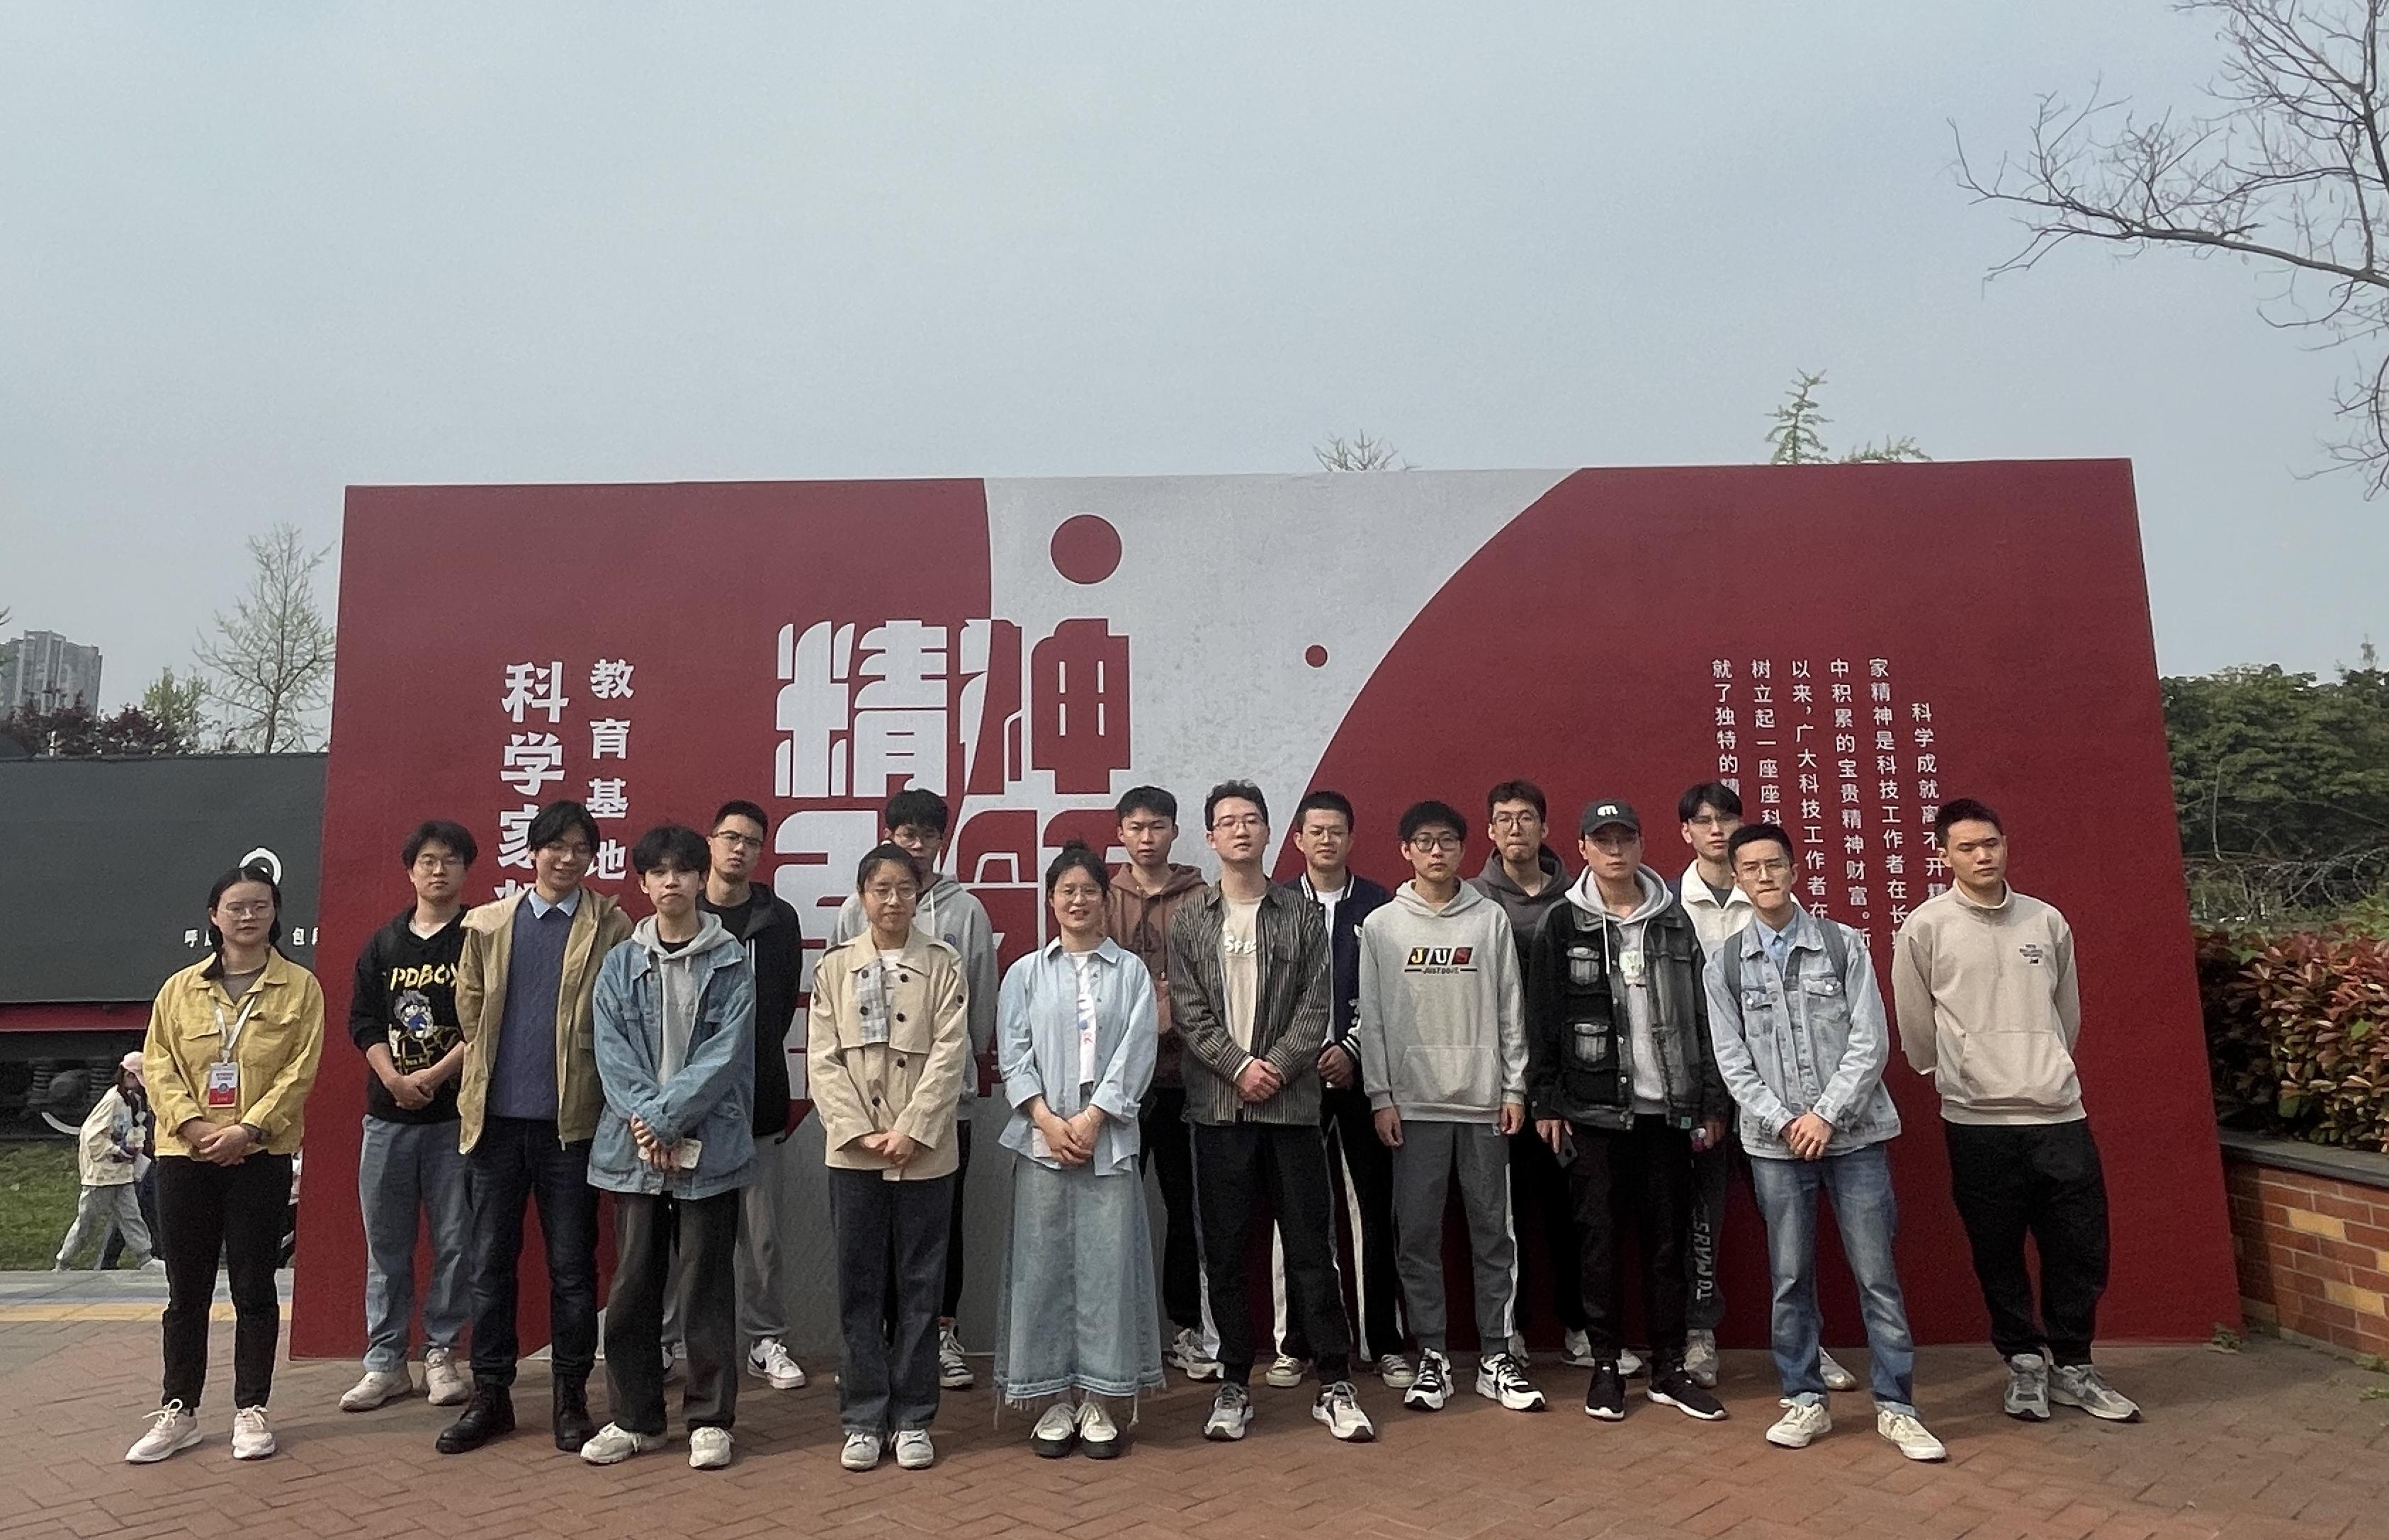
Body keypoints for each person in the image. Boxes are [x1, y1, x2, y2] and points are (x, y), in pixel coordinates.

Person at [1894, 798, 2139, 1424]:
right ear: (1943, 856)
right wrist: (1955, 1074)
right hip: (1977, 1121)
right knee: (1997, 1250)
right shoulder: (1926, 927)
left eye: (1992, 844)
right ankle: (2025, 1362)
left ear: (2006, 846)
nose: (1983, 856)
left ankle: (2074, 1364)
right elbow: (1916, 1026)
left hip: (2057, 1113)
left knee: (2078, 1246)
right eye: (1968, 847)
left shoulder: (2046, 921)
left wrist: (2044, 1064)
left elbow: (2066, 1013)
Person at [1705, 824, 1945, 1461]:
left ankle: (1898, 1407)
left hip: (1856, 1138)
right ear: (1736, 878)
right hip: (1775, 1147)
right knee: (1790, 1278)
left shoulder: (1842, 944)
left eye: (1774, 864)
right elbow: (1732, 1060)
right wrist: (1786, 1121)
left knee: (1878, 1276)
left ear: (1794, 869)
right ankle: (1804, 1398)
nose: (1764, 876)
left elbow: (1871, 1041)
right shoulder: (1725, 963)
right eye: (1750, 868)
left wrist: (1826, 1116)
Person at [1169, 780, 1374, 1444]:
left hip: (1291, 1111)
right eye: (1228, 821)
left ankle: (1333, 1380)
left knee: (1312, 1248)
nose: (1241, 830)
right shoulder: (1191, 919)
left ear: (1268, 832)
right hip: (1219, 1112)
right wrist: (1237, 1067)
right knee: (1226, 1253)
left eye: (1252, 820)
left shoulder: (1300, 915)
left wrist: (1277, 1068)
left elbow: (1318, 1006)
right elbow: (1189, 1012)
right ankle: (1234, 1380)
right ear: (1211, 837)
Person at [437, 800, 633, 1456]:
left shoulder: (611, 926)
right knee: (489, 1267)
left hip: (569, 1130)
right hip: (494, 1127)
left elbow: (621, 1013)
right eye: (556, 846)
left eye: (580, 848)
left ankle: (571, 1400)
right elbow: (469, 1009)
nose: (568, 859)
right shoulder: (490, 923)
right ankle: (490, 1397)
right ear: (533, 851)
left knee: (573, 1270)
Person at [1525, 800, 1730, 1424]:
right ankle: (1607, 1366)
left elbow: (1703, 1016)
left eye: (1625, 839)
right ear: (1582, 849)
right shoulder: (1563, 923)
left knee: (1667, 1242)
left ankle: (1669, 1367)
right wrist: (1546, 1098)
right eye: (1602, 840)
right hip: (1592, 1113)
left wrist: (1710, 1101)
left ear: (1642, 845)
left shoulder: (1673, 921)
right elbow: (1543, 1017)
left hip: (1667, 1111)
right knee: (1599, 1243)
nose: (1615, 851)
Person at [125, 861, 325, 1464]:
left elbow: (300, 1070)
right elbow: (158, 1064)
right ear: (214, 916)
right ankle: (179, 1409)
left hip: (259, 1156)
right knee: (185, 1290)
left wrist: (246, 1129)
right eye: (236, 906)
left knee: (254, 1286)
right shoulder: (179, 989)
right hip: (184, 1156)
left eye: (260, 905)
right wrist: (193, 1126)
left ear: (275, 913)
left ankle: (251, 1408)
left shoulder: (300, 988)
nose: (247, 915)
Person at [1671, 783, 1858, 1395]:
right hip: (1701, 1089)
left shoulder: (1773, 895)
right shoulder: (1670, 906)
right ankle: (1700, 1334)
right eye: (1703, 820)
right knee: (1702, 1218)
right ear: (1686, 832)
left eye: (1727, 818)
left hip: (1780, 1095)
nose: (1716, 829)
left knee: (1792, 1231)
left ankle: (1809, 1346)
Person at [582, 825, 758, 1471]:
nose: (671, 882)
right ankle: (636, 1419)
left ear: (700, 878)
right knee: (632, 1287)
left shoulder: (732, 961)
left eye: (683, 870)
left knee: (706, 1285)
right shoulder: (620, 964)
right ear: (642, 883)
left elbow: (725, 1056)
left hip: (708, 1146)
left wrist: (666, 1119)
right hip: (635, 1152)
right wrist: (650, 1124)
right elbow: (612, 1055)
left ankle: (710, 1419)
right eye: (658, 872)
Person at [1358, 800, 1542, 1415]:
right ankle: (1432, 1355)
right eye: (1424, 841)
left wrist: (1513, 1089)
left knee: (1494, 1235)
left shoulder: (1489, 920)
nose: (1436, 851)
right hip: (1412, 1108)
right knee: (1416, 1237)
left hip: (1484, 1106)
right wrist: (1381, 1096)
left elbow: (1511, 1007)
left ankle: (1496, 1355)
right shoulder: (1383, 926)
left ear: (1464, 849)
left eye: (1446, 841)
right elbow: (1372, 1020)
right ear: (1405, 851)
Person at [994, 844, 1165, 1458]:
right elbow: (1013, 1055)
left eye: (1089, 890)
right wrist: (1045, 1118)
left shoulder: (1131, 973)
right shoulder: (1025, 973)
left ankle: (1099, 1398)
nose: (1078, 900)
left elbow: (1138, 1051)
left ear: (1105, 899)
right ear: (1050, 900)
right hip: (1042, 1141)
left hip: (1108, 1139)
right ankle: (1050, 1399)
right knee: (1041, 1269)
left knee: (1107, 1269)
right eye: (1066, 890)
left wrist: (1094, 1119)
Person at [811, 843, 971, 1473]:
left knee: (920, 1288)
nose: (893, 900)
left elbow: (951, 1053)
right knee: (859, 1287)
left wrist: (912, 1129)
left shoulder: (943, 964)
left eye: (905, 888)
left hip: (925, 1154)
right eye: (881, 889)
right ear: (862, 896)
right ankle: (861, 1417)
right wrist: (858, 1131)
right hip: (854, 1156)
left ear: (919, 894)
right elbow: (822, 1059)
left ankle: (913, 1418)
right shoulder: (835, 967)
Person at [830, 788, 996, 1392]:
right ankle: (876, 1347)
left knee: (939, 1229)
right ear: (889, 835)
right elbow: (833, 1008)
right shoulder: (854, 911)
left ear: (942, 841)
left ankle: (940, 1335)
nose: (917, 845)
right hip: (867, 1112)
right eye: (906, 834)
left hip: (943, 1104)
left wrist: (947, 1085)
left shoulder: (965, 911)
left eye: (928, 835)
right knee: (869, 1238)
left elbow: (978, 1013)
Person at [340, 820, 478, 1415]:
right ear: (410, 870)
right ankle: (385, 1361)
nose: (438, 870)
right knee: (387, 1245)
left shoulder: (477, 938)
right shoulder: (384, 943)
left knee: (455, 1242)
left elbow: (487, 1020)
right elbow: (364, 1021)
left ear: (466, 869)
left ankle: (442, 1352)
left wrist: (436, 1076)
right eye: (427, 860)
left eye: (449, 860)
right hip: (387, 1118)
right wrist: (394, 1078)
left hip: (454, 1119)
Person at [1271, 789, 1406, 1391]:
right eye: (1316, 831)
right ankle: (1295, 1344)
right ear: (1298, 839)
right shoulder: (1274, 905)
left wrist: (1350, 1051)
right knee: (1297, 1216)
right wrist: (1301, 1055)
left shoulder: (1380, 906)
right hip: (1293, 1080)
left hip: (1360, 1077)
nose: (1326, 840)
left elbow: (1390, 994)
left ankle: (1384, 1342)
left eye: (1336, 831)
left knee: (1372, 1211)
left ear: (1351, 838)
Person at [1472, 780, 1599, 1374]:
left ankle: (1581, 1325)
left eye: (1526, 817)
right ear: (1490, 831)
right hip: (1500, 1085)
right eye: (1504, 819)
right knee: (1509, 1213)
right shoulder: (1474, 901)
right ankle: (1513, 1329)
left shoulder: (1579, 899)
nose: (1515, 828)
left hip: (1571, 1082)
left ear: (1545, 829)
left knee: (1575, 1211)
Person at [682, 799, 807, 1395]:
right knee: (682, 1235)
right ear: (709, 841)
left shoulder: (777, 919)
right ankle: (670, 1340)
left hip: (758, 1099)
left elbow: (779, 1007)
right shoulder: (682, 909)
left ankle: (765, 1340)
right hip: (687, 1109)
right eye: (730, 837)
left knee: (761, 1237)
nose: (740, 849)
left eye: (752, 841)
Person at [1103, 784, 1218, 1383]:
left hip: (1184, 1079)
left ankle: (1186, 1328)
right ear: (1120, 833)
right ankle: (1117, 1331)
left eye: (1157, 827)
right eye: (1136, 827)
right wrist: (1149, 1010)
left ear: (1175, 831)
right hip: (1117, 1085)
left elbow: (1213, 979)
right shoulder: (1103, 896)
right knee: (1114, 1209)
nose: (1146, 838)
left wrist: (1166, 1010)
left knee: (1185, 1208)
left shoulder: (1203, 897)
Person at [57, 1054, 153, 1270]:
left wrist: (134, 1146)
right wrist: (117, 1150)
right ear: (128, 1075)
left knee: (132, 1216)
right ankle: (64, 1261)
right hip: (101, 1176)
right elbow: (91, 1136)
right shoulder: (112, 1100)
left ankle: (145, 1257)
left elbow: (132, 1128)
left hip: (121, 1172)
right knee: (87, 1221)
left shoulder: (132, 1100)